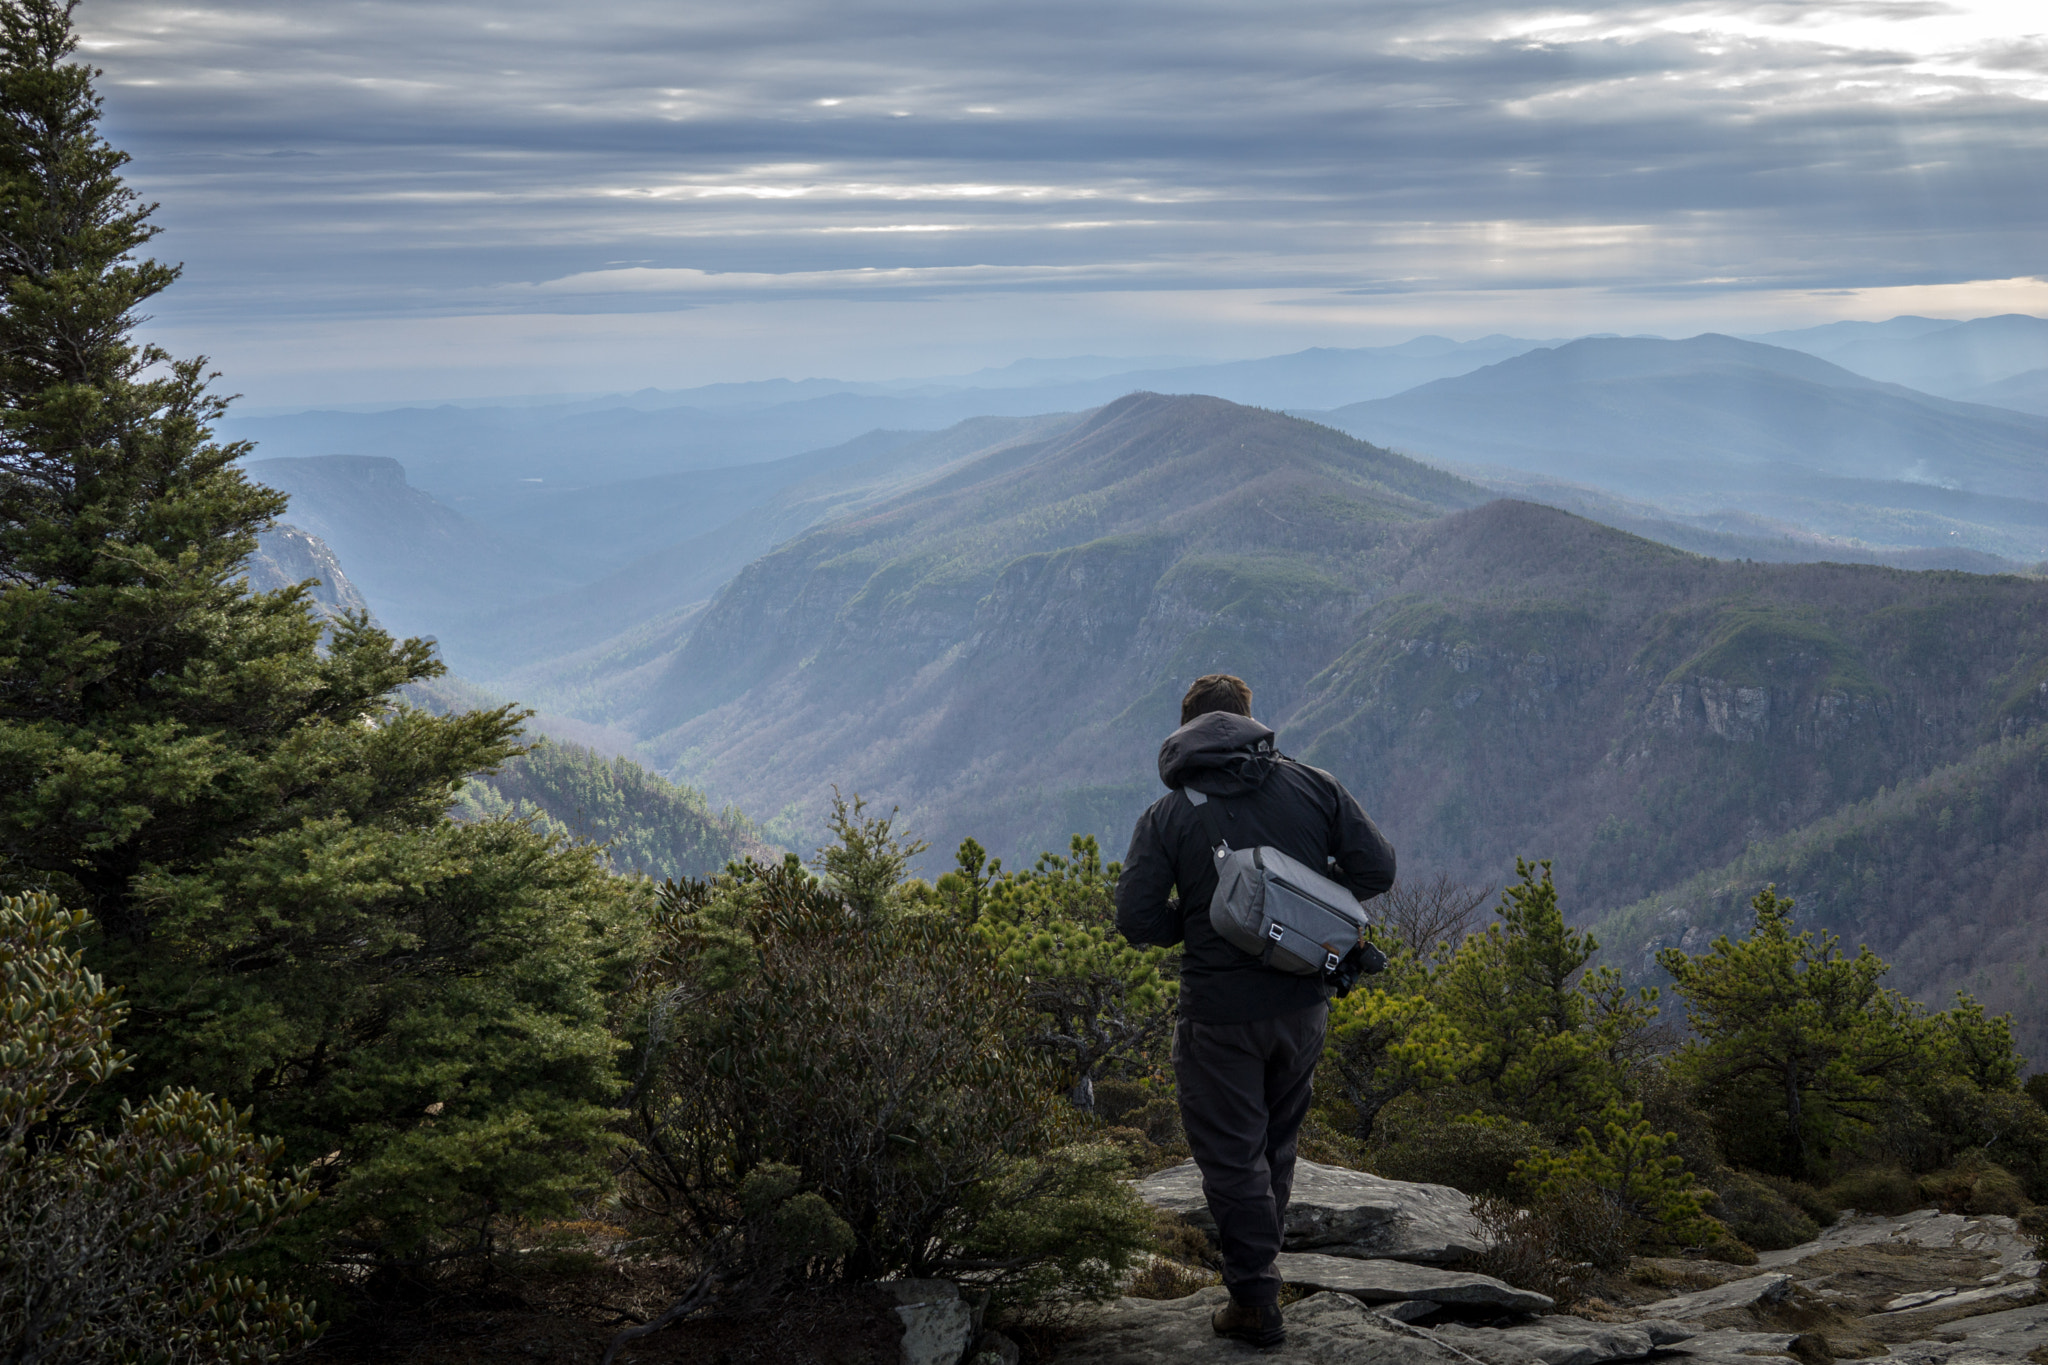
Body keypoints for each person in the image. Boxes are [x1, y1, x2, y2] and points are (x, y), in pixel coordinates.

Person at [1114, 673, 1395, 1348]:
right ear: (1249, 720)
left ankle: (1255, 1300)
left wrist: (1206, 917)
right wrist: (1305, 895)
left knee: (1233, 1155)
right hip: (1303, 1003)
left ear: (1185, 730)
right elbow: (1377, 871)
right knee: (1275, 1144)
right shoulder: (1314, 784)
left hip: (1218, 1015)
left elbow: (1137, 919)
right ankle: (1259, 1279)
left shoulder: (1169, 814)